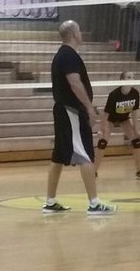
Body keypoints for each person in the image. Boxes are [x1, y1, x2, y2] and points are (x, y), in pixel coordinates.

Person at [43, 20, 114, 216]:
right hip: (71, 111)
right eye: (80, 31)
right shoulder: (68, 55)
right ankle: (94, 203)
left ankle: (50, 201)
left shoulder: (63, 55)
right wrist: (90, 108)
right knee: (85, 155)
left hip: (63, 110)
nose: (81, 34)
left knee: (58, 157)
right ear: (74, 33)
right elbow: (75, 83)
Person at [101, 71, 140, 181]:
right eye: (129, 77)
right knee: (102, 143)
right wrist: (102, 129)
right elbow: (106, 114)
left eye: (133, 77)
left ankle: (139, 171)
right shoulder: (114, 95)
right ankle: (93, 171)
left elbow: (134, 113)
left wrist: (136, 129)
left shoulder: (135, 93)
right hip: (110, 119)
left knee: (136, 141)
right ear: (122, 80)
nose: (131, 79)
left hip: (124, 119)